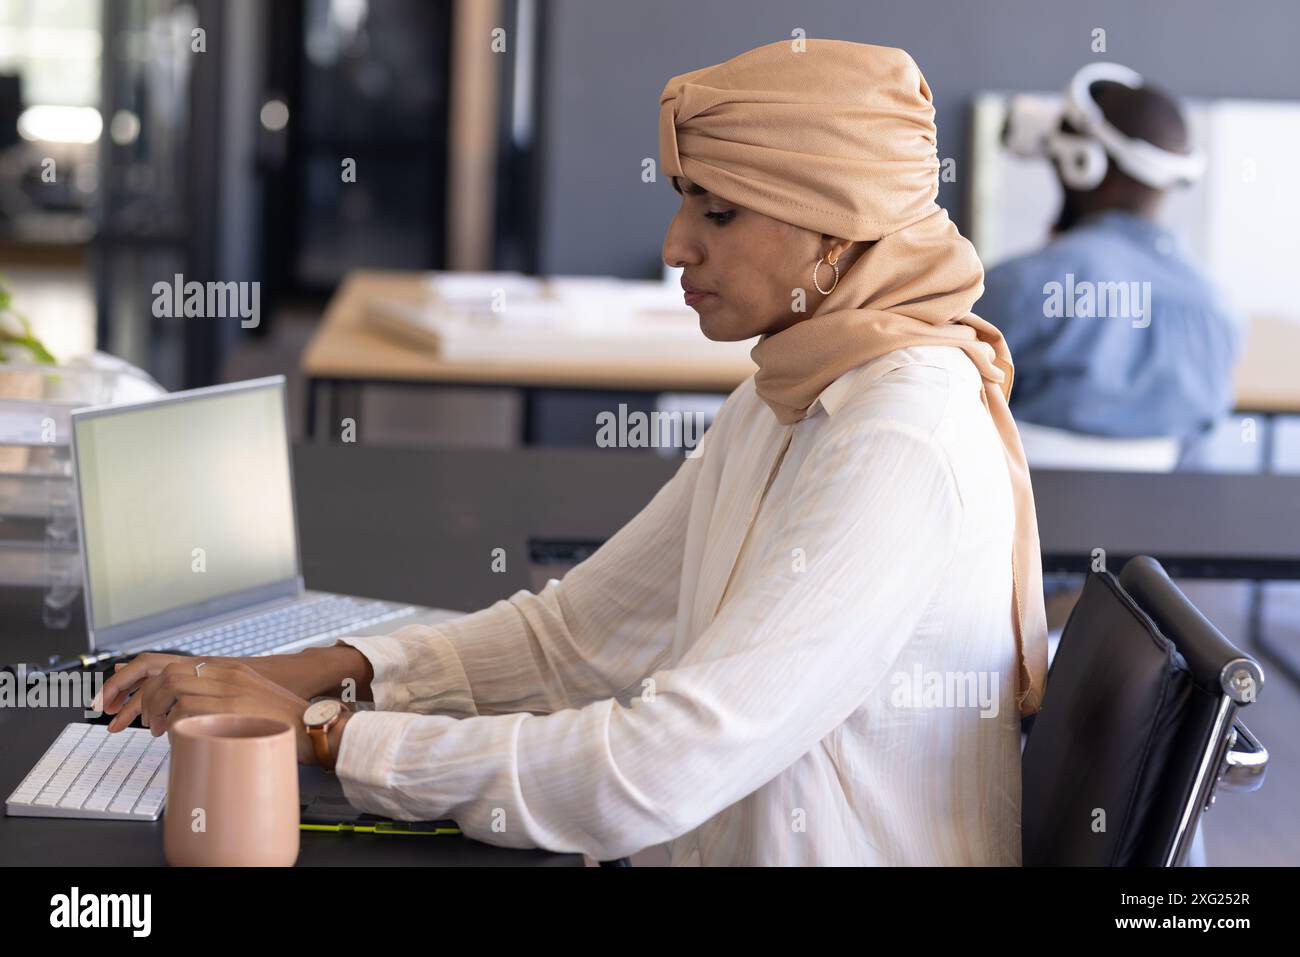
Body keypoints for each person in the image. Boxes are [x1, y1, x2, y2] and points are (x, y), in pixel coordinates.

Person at [97, 39, 1047, 866]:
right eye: (685, 203)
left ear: (836, 235)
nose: (677, 244)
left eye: (718, 213)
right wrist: (306, 672)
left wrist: (324, 737)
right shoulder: (791, 392)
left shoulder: (899, 437)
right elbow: (573, 642)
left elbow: (656, 768)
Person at [981, 63, 1244, 451]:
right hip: (1167, 511)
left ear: (1084, 165)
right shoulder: (1221, 316)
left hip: (1017, 508)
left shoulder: (1014, 289)